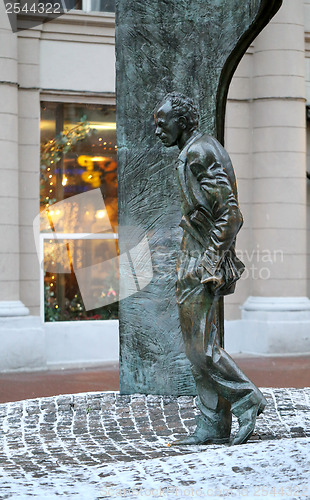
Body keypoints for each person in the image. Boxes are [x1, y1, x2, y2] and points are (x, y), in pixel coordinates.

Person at [154, 92, 267, 445]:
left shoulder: (202, 151)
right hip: (195, 250)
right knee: (198, 342)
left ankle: (246, 398)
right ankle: (211, 425)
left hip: (202, 257)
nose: (157, 130)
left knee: (199, 347)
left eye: (162, 123)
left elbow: (230, 213)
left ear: (182, 121)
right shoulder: (191, 152)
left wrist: (211, 260)